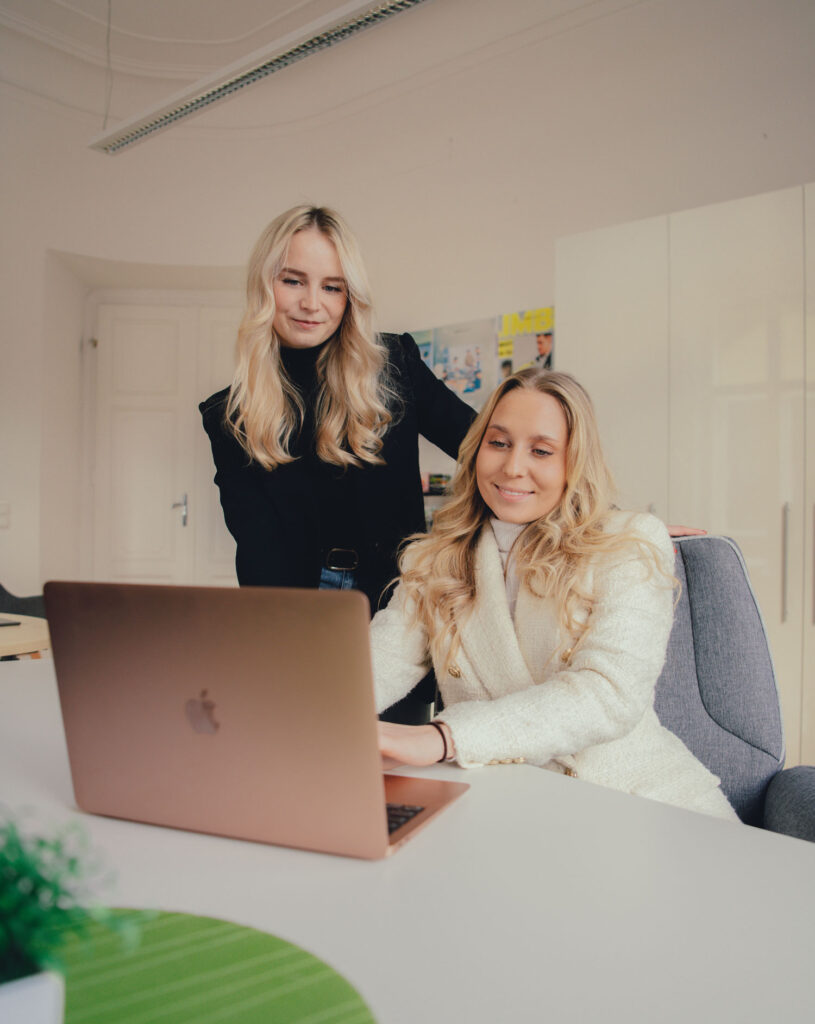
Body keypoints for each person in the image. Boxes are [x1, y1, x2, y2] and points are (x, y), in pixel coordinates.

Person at [371, 368, 737, 821]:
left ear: (574, 462)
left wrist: (443, 737)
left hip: (641, 804)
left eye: (541, 451)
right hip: (508, 809)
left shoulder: (629, 545)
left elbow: (607, 695)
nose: (512, 467)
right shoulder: (432, 559)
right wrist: (300, 716)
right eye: (498, 443)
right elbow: (371, 669)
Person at [200, 205, 476, 618]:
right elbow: (259, 554)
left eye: (332, 287)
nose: (312, 304)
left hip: (403, 597)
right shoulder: (230, 415)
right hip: (302, 608)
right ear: (264, 285)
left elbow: (485, 446)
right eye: (293, 280)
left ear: (350, 297)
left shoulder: (395, 366)